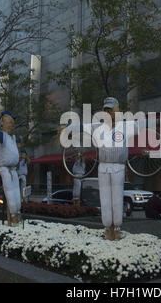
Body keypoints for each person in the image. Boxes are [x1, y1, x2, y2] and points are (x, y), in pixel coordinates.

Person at [60, 97, 148, 241]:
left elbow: (146, 124)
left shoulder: (127, 126)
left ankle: (117, 227)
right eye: (106, 110)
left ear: (117, 110)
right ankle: (108, 227)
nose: (109, 113)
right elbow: (79, 127)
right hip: (103, 167)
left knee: (117, 198)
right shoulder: (97, 127)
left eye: (112, 110)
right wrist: (66, 128)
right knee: (105, 200)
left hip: (118, 166)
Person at [0, 111, 22, 226]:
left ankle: (17, 212)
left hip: (13, 169)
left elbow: (21, 141)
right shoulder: (2, 135)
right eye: (8, 122)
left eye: (12, 123)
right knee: (10, 191)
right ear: (3, 123)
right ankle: (13, 215)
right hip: (5, 169)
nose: (11, 125)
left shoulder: (13, 138)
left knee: (16, 192)